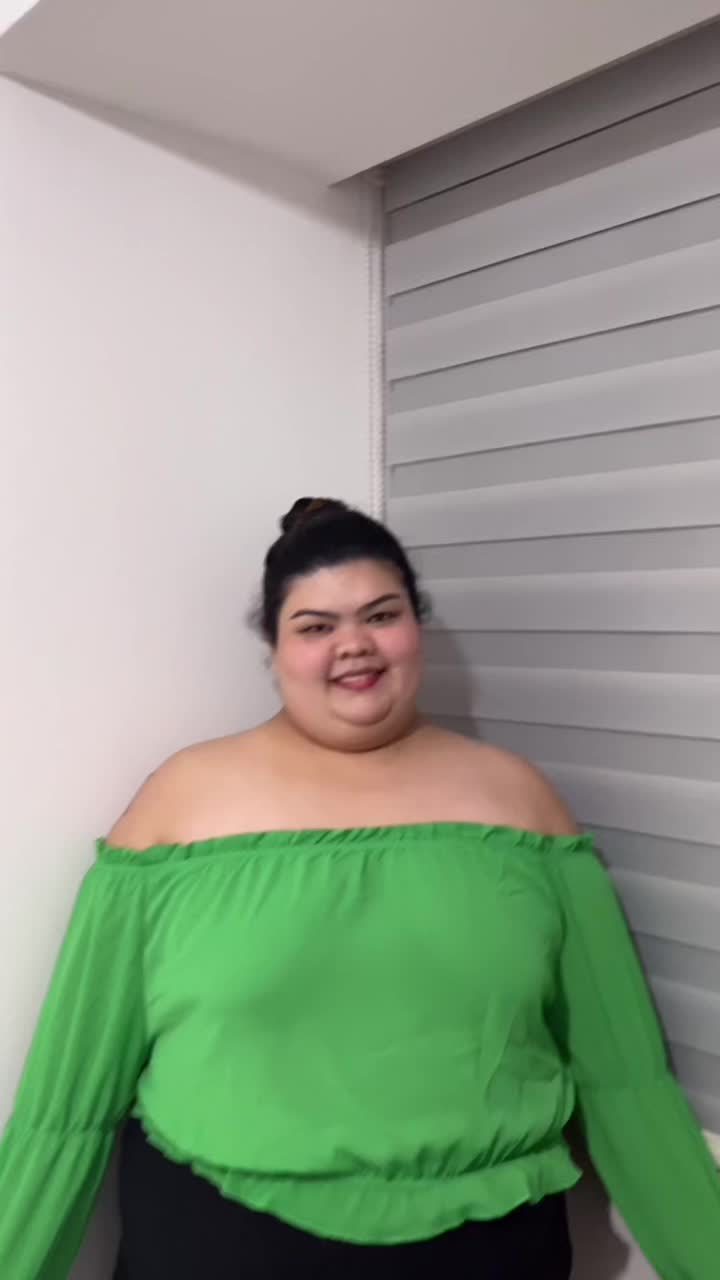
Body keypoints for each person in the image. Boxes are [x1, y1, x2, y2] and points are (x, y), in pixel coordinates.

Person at [0, 497, 718, 1280]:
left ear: (417, 625)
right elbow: (67, 1106)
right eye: (315, 626)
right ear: (274, 648)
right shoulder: (179, 807)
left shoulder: (521, 806)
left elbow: (627, 1084)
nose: (354, 645)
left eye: (381, 615)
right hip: (219, 1242)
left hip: (490, 1249)